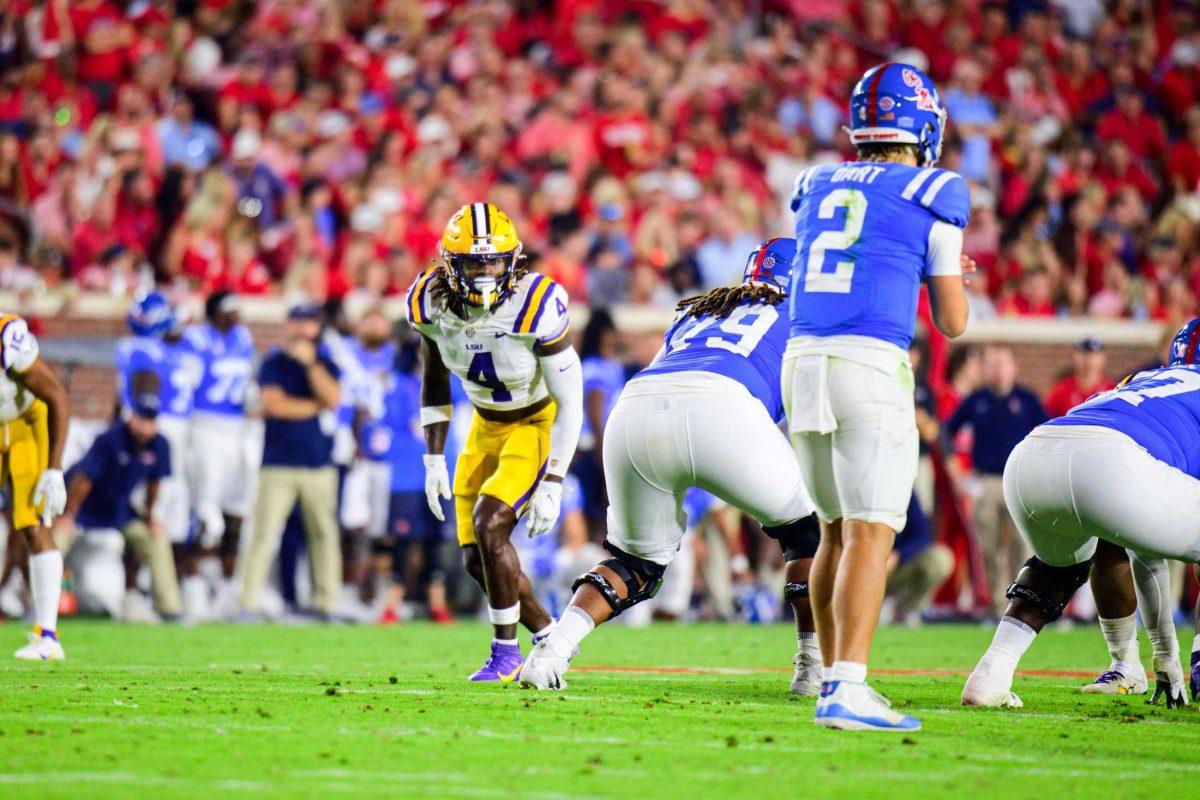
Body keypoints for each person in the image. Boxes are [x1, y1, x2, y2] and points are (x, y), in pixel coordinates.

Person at [521, 238, 821, 694]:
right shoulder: (806, 316)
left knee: (633, 562)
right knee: (807, 535)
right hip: (724, 407)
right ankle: (812, 668)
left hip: (637, 407)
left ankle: (552, 652)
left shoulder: (698, 311)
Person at [782, 63, 971, 730]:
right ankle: (846, 688)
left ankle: (838, 677)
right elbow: (952, 321)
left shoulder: (814, 180)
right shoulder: (937, 187)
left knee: (834, 528)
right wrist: (945, 271)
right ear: (923, 125)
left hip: (802, 360)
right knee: (871, 531)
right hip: (869, 362)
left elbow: (857, 248)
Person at [959, 318, 1200, 709]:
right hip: (1114, 465)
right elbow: (1146, 547)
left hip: (1033, 455)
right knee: (1131, 528)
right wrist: (1168, 660)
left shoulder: (1141, 380)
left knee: (1059, 563)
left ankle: (991, 673)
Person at [406, 202, 583, 682]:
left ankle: (506, 654)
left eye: (494, 261)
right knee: (474, 557)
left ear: (513, 260)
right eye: (474, 262)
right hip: (484, 425)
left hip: (535, 422)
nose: (485, 272)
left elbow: (572, 401)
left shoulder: (537, 304)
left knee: (491, 523)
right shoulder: (430, 303)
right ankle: (549, 635)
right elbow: (435, 379)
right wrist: (432, 456)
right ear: (449, 263)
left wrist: (554, 480)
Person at [238, 302, 343, 618]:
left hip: (318, 463)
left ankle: (326, 602)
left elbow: (333, 399)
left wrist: (311, 366)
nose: (302, 328)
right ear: (288, 325)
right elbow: (274, 405)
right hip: (278, 463)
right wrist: (312, 406)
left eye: (309, 322)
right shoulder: (273, 363)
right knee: (264, 532)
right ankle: (247, 601)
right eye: (297, 321)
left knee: (324, 535)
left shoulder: (324, 363)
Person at [56, 393, 181, 619]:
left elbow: (155, 484)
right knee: (56, 540)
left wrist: (151, 518)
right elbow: (84, 480)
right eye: (142, 419)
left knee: (157, 538)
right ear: (132, 417)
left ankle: (170, 608)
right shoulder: (110, 439)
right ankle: (38, 605)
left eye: (151, 421)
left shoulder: (159, 445)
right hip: (85, 508)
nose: (145, 427)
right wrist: (68, 515)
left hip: (118, 510)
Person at [944, 345, 1047, 615]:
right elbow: (946, 433)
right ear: (985, 368)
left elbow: (1049, 434)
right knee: (987, 546)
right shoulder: (976, 399)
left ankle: (1022, 602)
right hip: (986, 481)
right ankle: (996, 606)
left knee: (1020, 544)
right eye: (992, 364)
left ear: (1013, 367)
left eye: (1002, 363)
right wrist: (959, 476)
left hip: (1018, 481)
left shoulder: (1027, 399)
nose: (998, 370)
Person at [1, 314, 69, 659]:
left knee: (32, 520)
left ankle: (48, 636)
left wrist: (54, 469)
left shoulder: (6, 337)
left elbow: (57, 395)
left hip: (26, 422)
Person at [180, 291, 254, 597]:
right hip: (205, 425)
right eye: (229, 308)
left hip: (238, 428)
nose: (236, 313)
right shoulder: (197, 338)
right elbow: (188, 387)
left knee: (238, 510)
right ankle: (193, 584)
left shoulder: (243, 338)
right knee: (207, 513)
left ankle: (227, 586)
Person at [378, 334, 454, 625]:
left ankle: (437, 603)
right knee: (403, 540)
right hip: (406, 474)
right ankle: (392, 605)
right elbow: (388, 421)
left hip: (441, 472)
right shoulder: (397, 385)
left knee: (437, 539)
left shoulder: (450, 382)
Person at [115, 291, 195, 548]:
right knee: (169, 497)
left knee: (142, 497)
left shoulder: (140, 348)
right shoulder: (175, 351)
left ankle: (137, 577)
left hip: (152, 424)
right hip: (177, 427)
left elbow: (143, 389)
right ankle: (170, 573)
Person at [575, 309, 626, 531]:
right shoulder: (594, 368)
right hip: (594, 450)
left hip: (607, 447)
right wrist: (603, 459)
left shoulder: (613, 367)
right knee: (599, 517)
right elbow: (596, 411)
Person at [1044, 338, 1115, 418]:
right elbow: (1046, 420)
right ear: (1073, 357)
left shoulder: (1113, 391)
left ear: (1103, 358)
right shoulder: (1061, 391)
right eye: (1084, 355)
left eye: (1093, 355)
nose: (1088, 360)